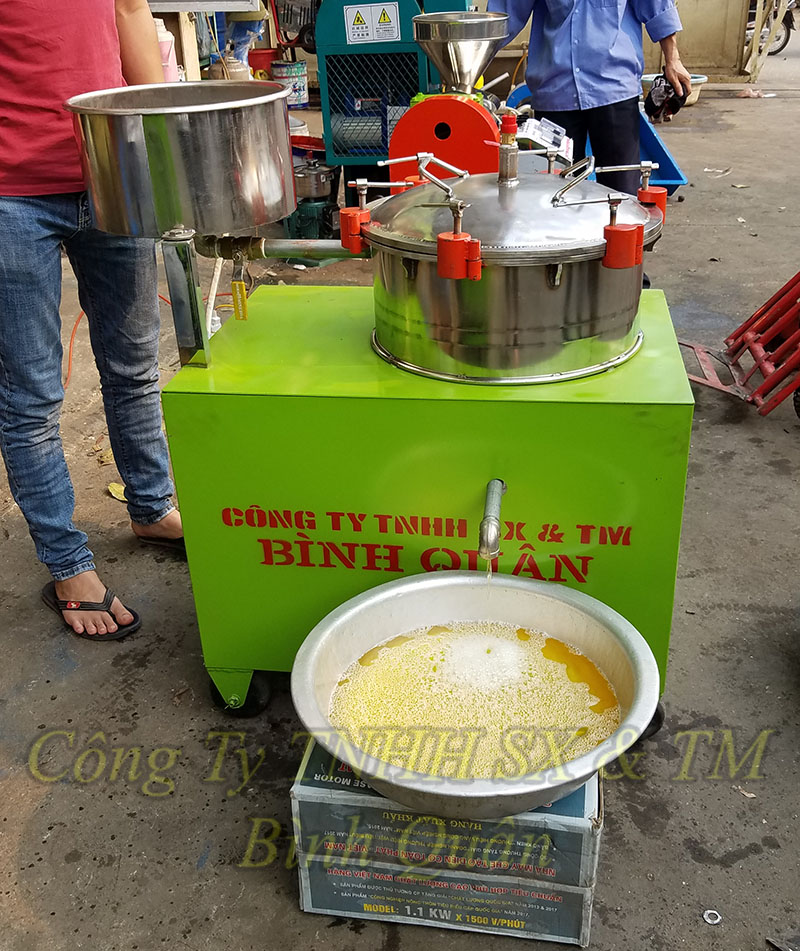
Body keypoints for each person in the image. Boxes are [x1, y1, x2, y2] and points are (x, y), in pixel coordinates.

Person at [0, 0, 184, 641]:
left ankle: (151, 507)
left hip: (112, 172)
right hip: (11, 192)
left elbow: (130, 9)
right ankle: (68, 565)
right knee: (32, 396)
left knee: (134, 367)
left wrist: (161, 138)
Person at [488, 0, 693, 196]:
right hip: (556, 88)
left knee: (621, 196)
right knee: (555, 196)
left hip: (613, 86)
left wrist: (673, 59)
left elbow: (657, 4)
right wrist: (473, 64)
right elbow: (504, 12)